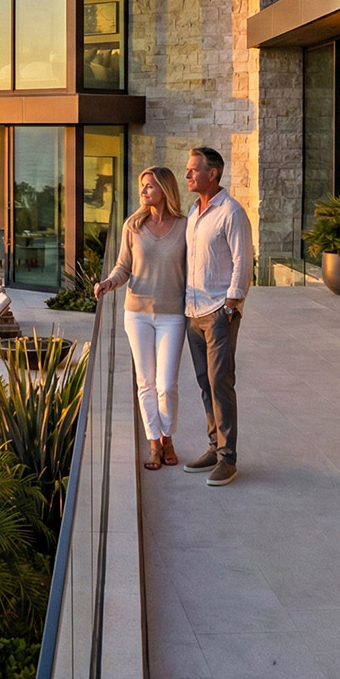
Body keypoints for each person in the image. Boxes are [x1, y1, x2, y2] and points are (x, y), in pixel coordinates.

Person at [95, 166, 188, 470]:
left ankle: (168, 436)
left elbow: (194, 270)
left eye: (150, 186)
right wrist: (109, 282)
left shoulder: (186, 227)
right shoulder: (133, 226)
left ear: (165, 190)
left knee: (167, 384)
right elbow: (124, 266)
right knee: (145, 382)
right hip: (136, 313)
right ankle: (154, 443)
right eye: (143, 186)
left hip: (172, 314)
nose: (144, 191)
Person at [181, 146, 253, 487]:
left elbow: (243, 261)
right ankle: (214, 446)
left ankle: (228, 459)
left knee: (221, 383)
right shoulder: (194, 213)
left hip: (218, 313)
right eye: (188, 169)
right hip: (192, 312)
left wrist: (232, 304)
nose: (188, 175)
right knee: (204, 383)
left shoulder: (232, 212)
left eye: (194, 169)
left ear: (213, 174)